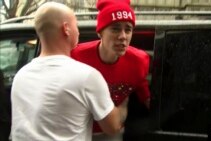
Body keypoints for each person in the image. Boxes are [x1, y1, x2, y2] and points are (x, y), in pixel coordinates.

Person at [11, 2, 126, 141]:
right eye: (76, 25)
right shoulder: (87, 77)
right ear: (66, 28)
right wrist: (123, 105)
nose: (78, 31)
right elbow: (112, 127)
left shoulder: (20, 75)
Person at [71, 0, 151, 140]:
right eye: (115, 29)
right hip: (77, 131)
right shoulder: (76, 56)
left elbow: (146, 96)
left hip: (113, 133)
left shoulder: (140, 61)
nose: (123, 36)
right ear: (100, 32)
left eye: (128, 29)